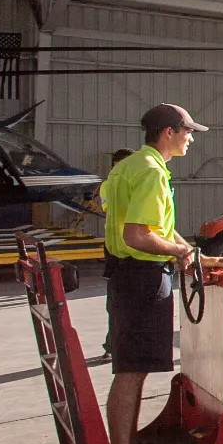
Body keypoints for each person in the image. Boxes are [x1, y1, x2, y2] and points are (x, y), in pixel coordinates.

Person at [100, 104, 223, 444]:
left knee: (130, 368)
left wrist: (194, 253)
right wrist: (179, 252)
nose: (191, 139)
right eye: (188, 132)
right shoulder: (153, 173)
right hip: (141, 279)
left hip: (124, 276)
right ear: (168, 132)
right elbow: (137, 235)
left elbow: (156, 229)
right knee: (131, 371)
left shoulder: (129, 166)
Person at [95, 148, 139, 366]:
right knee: (117, 301)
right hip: (118, 249)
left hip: (134, 247)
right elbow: (113, 209)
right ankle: (113, 345)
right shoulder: (109, 186)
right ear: (114, 165)